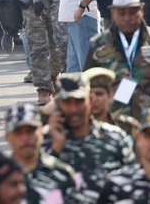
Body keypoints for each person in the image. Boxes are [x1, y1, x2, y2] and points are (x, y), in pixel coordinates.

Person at [85, 0, 150, 119]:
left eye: (133, 12)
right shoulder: (98, 45)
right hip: (113, 123)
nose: (128, 18)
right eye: (122, 13)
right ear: (113, 13)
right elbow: (88, 85)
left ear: (142, 10)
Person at [45, 73, 134, 202]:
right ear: (57, 104)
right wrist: (55, 149)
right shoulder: (43, 141)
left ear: (90, 100)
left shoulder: (115, 138)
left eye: (79, 101)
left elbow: (134, 184)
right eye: (67, 102)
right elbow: (34, 189)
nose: (74, 109)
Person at [2, 103, 80, 203]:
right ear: (8, 137)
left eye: (31, 131)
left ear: (41, 133)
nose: (25, 138)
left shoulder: (62, 173)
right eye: (18, 132)